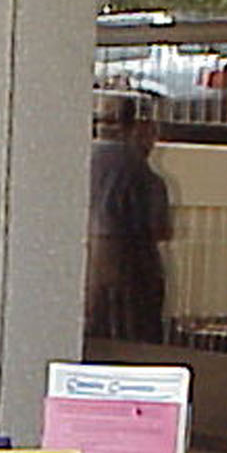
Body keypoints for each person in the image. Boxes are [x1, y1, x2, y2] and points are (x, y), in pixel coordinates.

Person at [86, 96, 173, 342]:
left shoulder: (83, 161)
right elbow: (160, 229)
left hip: (86, 270)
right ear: (139, 128)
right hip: (130, 271)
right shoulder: (143, 173)